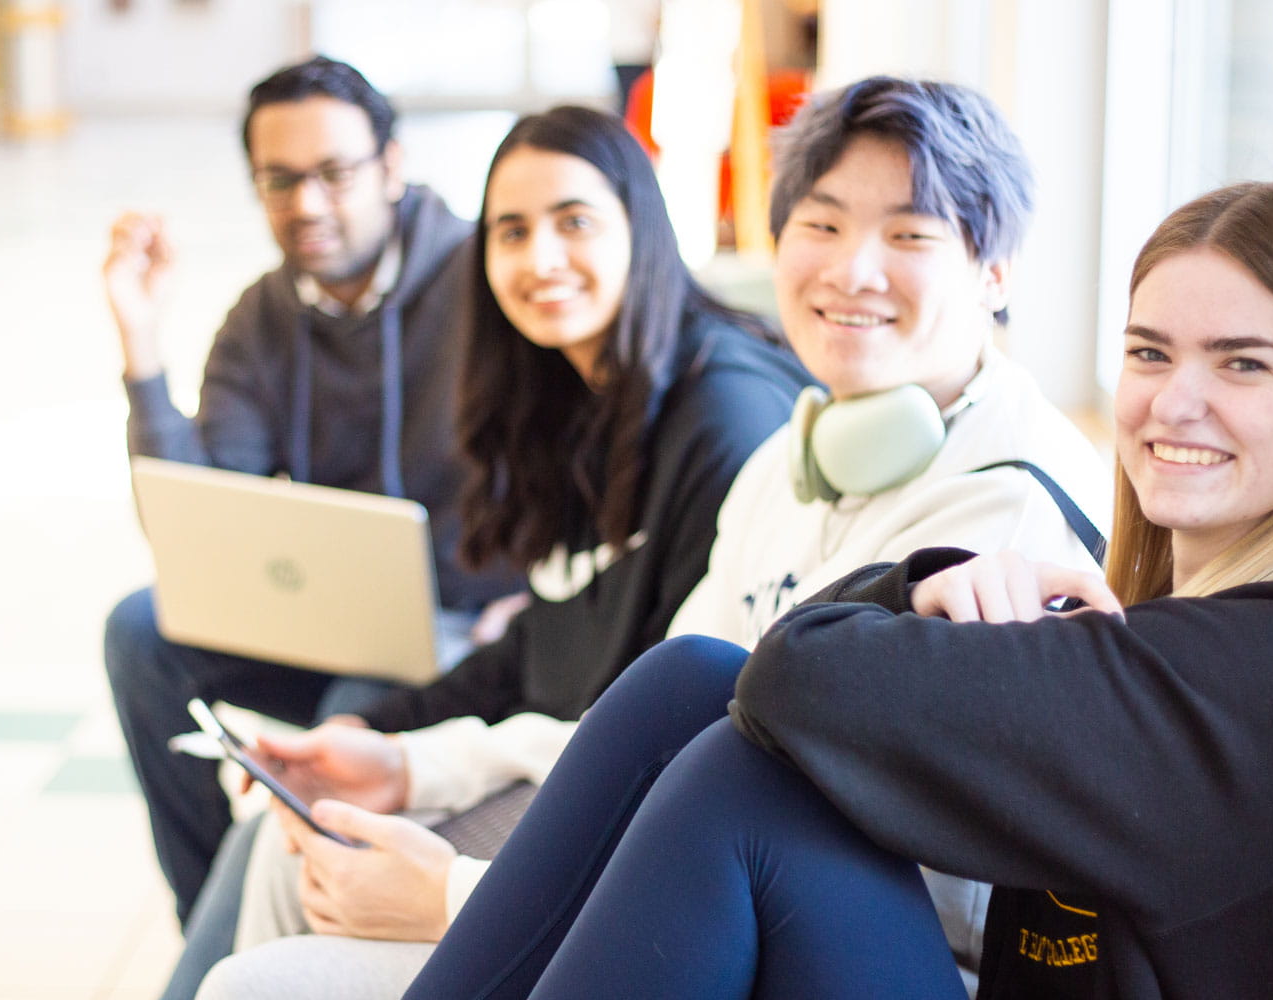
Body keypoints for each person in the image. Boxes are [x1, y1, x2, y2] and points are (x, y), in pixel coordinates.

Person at [406, 179, 1273, 999]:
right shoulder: (1241, 620)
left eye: (1242, 364)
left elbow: (796, 682)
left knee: (743, 780)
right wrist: (934, 591)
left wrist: (912, 592)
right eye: (1147, 352)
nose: (1173, 400)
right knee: (687, 682)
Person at [200, 78, 1109, 999]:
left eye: (909, 235)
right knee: (296, 851)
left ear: (995, 273)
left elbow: (819, 848)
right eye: (823, 226)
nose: (852, 270)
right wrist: (412, 762)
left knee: (262, 982)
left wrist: (451, 894)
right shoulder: (795, 460)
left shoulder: (1001, 518)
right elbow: (641, 739)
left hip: (838, 950)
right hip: (704, 893)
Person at [101, 54, 521, 933]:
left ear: (393, 166)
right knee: (142, 632)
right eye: (280, 180)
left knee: (344, 728)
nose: (308, 204)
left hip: (476, 622)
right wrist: (142, 349)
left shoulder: (486, 279)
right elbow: (197, 529)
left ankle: (261, 940)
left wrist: (541, 591)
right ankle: (209, 919)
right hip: (338, 613)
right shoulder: (262, 318)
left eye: (335, 173)